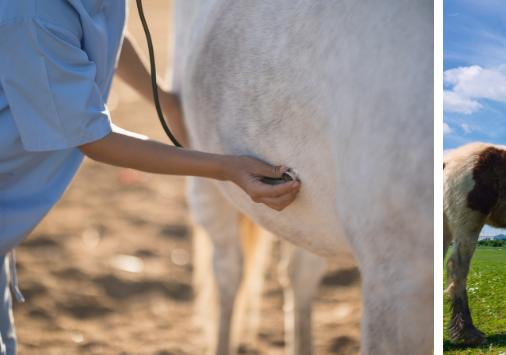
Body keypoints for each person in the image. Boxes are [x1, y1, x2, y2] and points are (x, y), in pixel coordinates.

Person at [0, 2, 301, 353]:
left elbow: (102, 29)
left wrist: (165, 102)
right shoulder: (31, 17)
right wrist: (226, 167)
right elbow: (97, 141)